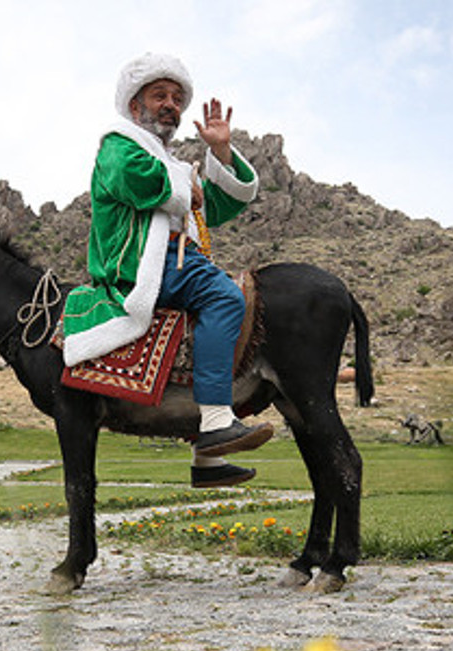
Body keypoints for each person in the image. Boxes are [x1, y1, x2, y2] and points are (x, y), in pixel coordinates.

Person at [62, 52, 271, 489]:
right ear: (135, 104)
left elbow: (216, 204)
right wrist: (187, 185)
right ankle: (216, 420)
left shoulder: (173, 164)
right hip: (145, 266)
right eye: (160, 95)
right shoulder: (118, 144)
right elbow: (138, 179)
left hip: (178, 263)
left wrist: (220, 151)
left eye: (177, 98)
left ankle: (207, 461)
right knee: (224, 298)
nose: (171, 105)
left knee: (204, 327)